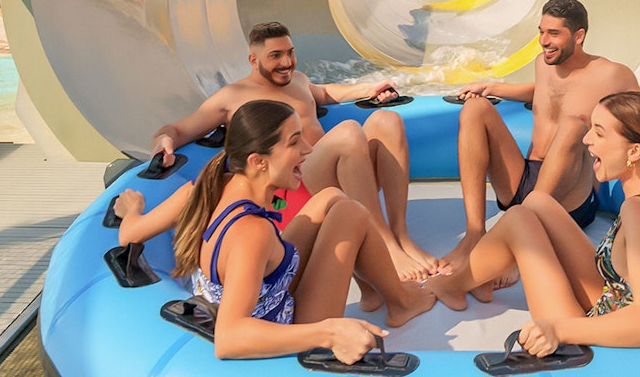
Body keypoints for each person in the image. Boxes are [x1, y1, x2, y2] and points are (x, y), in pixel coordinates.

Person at [428, 91, 640, 354]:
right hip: (614, 292)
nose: (586, 141)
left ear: (634, 152)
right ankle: (482, 275)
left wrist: (558, 329)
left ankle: (450, 286)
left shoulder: (639, 210)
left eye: (598, 134)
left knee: (516, 220)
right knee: (537, 201)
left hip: (600, 324)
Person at [151, 22, 437, 281]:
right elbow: (179, 129)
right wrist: (164, 140)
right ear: (253, 60)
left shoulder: (297, 80)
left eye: (290, 53)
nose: (286, 62)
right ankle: (385, 244)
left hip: (336, 174)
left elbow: (324, 93)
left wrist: (369, 88)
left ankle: (400, 234)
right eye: (275, 55)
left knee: (388, 121)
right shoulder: (232, 97)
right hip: (293, 189)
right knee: (349, 133)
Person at [442, 0, 640, 272]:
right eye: (541, 31)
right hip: (525, 178)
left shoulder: (610, 74)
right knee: (475, 109)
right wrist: (493, 88)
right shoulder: (544, 64)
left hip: (570, 196)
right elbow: (544, 92)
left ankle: (521, 240)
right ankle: (475, 233)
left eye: (554, 33)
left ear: (578, 36)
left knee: (573, 125)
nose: (544, 41)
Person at [169, 99, 435, 361]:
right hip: (284, 337)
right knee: (352, 213)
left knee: (331, 196)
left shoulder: (218, 185)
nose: (308, 149)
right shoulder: (252, 232)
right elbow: (229, 340)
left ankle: (374, 290)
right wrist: (330, 333)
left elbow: (141, 230)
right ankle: (402, 303)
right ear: (258, 161)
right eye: (294, 142)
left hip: (267, 301)